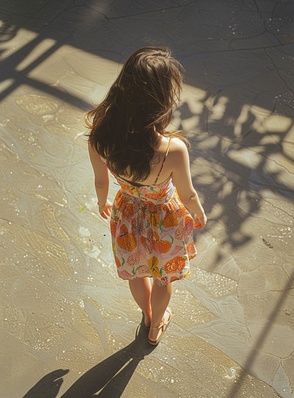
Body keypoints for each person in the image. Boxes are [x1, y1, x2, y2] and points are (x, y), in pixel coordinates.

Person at [86, 47, 207, 345]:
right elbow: (187, 194)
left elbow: (101, 182)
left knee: (139, 272)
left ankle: (147, 316)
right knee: (163, 277)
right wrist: (199, 212)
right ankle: (155, 328)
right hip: (165, 220)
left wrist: (104, 203)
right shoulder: (172, 150)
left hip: (127, 214)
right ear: (161, 102)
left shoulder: (100, 138)